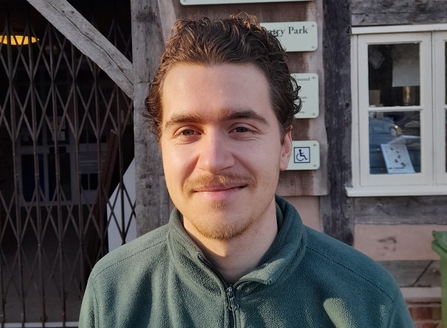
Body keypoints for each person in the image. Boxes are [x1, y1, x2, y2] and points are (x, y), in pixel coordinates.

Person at [79, 13, 414, 327]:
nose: (213, 160)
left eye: (241, 128)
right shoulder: (113, 294)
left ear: (284, 146)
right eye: (187, 131)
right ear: (162, 148)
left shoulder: (369, 302)